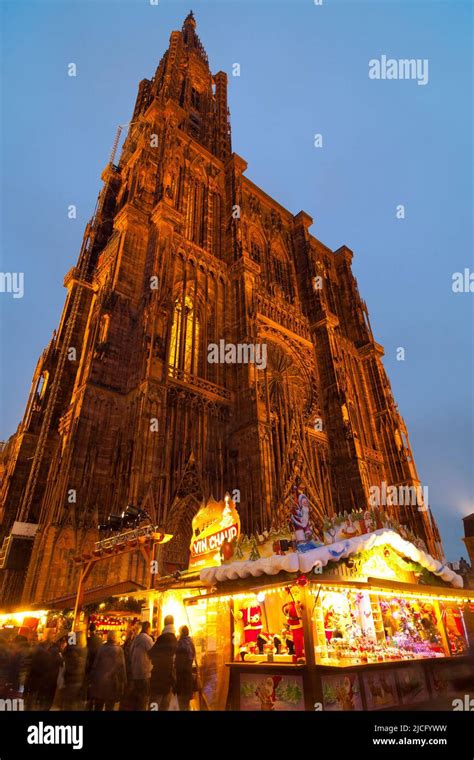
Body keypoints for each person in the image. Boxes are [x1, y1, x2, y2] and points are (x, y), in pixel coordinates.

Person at [24, 634, 66, 711]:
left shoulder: (40, 651)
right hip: (48, 681)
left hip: (40, 680)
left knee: (35, 699)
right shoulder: (56, 653)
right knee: (43, 700)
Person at [89, 631, 126, 711]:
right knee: (109, 707)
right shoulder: (119, 650)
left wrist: (92, 679)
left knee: (98, 706)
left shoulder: (101, 648)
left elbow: (95, 665)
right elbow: (122, 668)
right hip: (112, 682)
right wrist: (123, 682)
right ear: (115, 638)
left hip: (100, 682)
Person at [148, 615, 177, 711]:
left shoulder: (162, 638)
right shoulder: (175, 638)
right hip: (169, 679)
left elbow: (151, 653)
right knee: (165, 706)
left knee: (154, 705)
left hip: (158, 678)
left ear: (165, 624)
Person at [129, 621, 154, 710]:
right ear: (148, 628)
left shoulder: (136, 638)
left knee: (138, 697)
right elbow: (153, 653)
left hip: (136, 672)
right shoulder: (147, 639)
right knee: (144, 697)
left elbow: (130, 653)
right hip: (145, 672)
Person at [175, 626, 196, 711]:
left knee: (181, 702)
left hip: (182, 676)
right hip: (188, 675)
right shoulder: (190, 642)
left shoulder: (180, 644)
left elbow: (179, 662)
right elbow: (193, 655)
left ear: (181, 633)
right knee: (186, 702)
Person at [85, 623, 102, 710]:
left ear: (89, 631)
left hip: (89, 666)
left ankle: (89, 701)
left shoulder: (87, 640)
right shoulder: (100, 640)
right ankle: (93, 700)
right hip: (97, 666)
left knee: (89, 685)